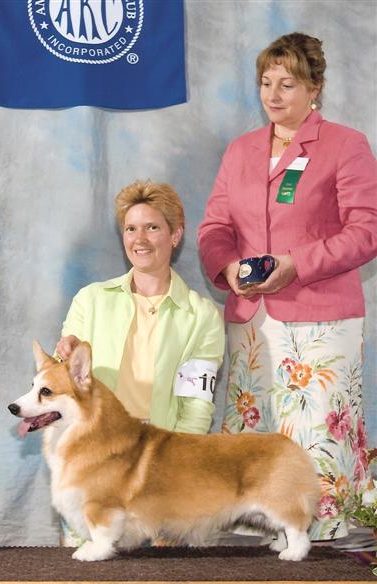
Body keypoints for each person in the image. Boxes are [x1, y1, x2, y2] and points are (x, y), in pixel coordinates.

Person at [198, 32, 377, 540]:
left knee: (315, 432)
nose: (273, 95)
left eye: (288, 84)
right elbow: (214, 228)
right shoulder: (240, 150)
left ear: (315, 89)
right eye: (266, 82)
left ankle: (322, 539)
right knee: (256, 434)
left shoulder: (346, 145)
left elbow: (367, 230)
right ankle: (260, 532)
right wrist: (229, 268)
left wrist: (295, 264)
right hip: (252, 322)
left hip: (322, 320)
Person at [57, 180, 224, 434]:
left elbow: (197, 409)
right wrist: (65, 355)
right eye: (131, 229)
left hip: (161, 446)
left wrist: (176, 455)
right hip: (92, 441)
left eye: (152, 227)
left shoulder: (203, 316)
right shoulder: (89, 300)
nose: (139, 239)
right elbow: (62, 384)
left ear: (175, 235)